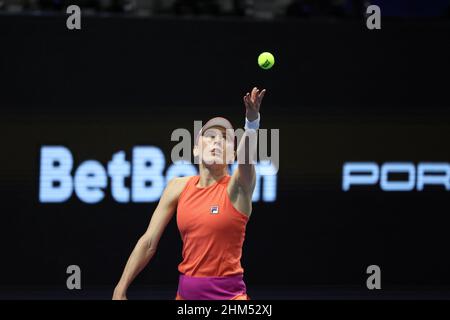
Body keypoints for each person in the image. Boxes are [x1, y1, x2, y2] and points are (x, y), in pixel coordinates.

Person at [112, 87, 266, 300]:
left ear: (232, 154)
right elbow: (148, 242)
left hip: (231, 298)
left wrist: (251, 123)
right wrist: (121, 287)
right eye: (210, 136)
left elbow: (247, 160)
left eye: (224, 138)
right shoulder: (178, 187)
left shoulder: (238, 187)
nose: (216, 142)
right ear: (195, 149)